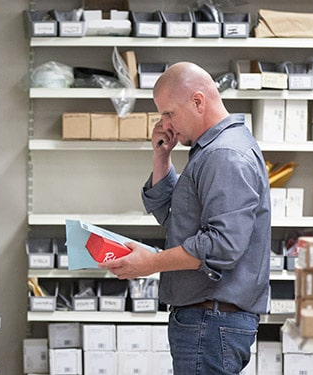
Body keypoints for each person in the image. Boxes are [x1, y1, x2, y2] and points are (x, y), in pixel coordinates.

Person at [98, 62, 271, 374]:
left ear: (198, 101)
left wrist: (151, 263)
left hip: (212, 319)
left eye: (169, 113)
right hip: (208, 319)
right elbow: (178, 217)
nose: (164, 123)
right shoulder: (211, 151)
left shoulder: (225, 155)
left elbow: (221, 245)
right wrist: (161, 157)